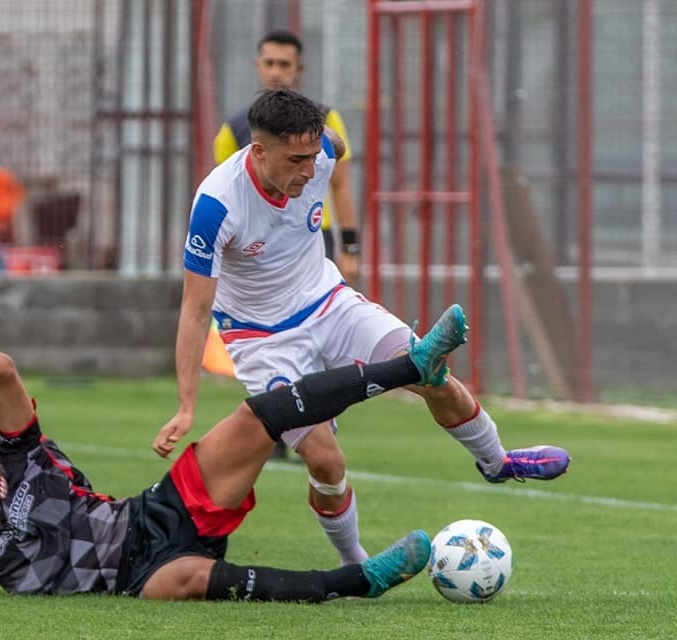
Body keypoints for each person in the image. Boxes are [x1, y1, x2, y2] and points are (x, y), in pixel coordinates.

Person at [0, 303, 469, 606]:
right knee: (188, 582)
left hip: (153, 511)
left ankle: (414, 364)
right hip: (139, 575)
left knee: (259, 416)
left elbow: (1, 367)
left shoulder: (21, 450)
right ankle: (359, 581)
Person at [154, 89, 570, 571]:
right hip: (261, 340)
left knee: (430, 370)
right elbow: (194, 309)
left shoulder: (323, 151)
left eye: (313, 157)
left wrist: (328, 179)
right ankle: (358, 564)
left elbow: (336, 146)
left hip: (330, 303)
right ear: (259, 150)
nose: (310, 172)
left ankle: (497, 462)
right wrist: (186, 407)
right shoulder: (216, 205)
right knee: (326, 462)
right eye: (296, 160)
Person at [212, 30, 359, 461]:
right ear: (258, 66)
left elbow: (344, 186)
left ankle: (315, 427)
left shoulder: (325, 121)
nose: (276, 71)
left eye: (285, 64)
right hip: (260, 251)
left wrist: (350, 244)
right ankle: (281, 427)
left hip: (315, 240)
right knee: (275, 339)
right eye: (269, 63)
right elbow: (224, 192)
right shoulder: (235, 128)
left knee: (317, 341)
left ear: (299, 71)